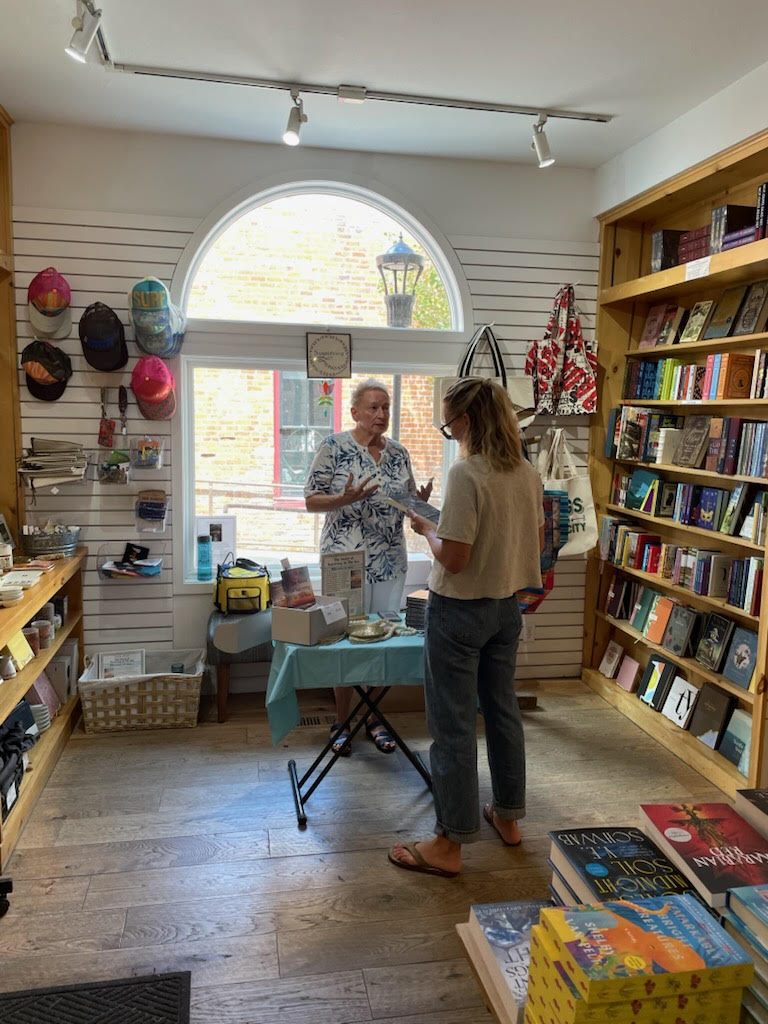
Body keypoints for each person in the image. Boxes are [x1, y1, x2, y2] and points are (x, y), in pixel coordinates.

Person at [388, 377, 544, 877]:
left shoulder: (466, 473)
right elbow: (531, 542)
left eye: (449, 423)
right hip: (506, 608)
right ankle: (509, 817)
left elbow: (454, 559)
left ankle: (449, 844)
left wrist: (427, 529)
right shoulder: (526, 472)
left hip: (458, 610)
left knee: (452, 726)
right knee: (502, 713)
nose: (449, 432)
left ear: (468, 421)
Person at [305, 378, 433, 756]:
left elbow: (408, 506)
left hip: (389, 560)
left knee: (384, 637)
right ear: (355, 412)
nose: (380, 414)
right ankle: (342, 720)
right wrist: (342, 499)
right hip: (344, 558)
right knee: (345, 639)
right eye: (373, 407)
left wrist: (420, 505)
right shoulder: (333, 447)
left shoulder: (398, 453)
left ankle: (374, 718)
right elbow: (310, 500)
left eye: (385, 407)